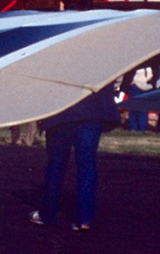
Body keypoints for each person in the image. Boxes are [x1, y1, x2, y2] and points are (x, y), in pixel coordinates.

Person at [29, 83, 121, 232]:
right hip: (92, 109)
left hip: (61, 111)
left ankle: (47, 214)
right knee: (87, 164)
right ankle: (84, 219)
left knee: (56, 164)